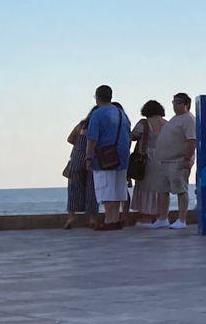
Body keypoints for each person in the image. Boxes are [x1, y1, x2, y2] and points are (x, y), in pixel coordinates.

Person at [144, 93, 197, 228]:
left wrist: (187, 159)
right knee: (162, 190)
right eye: (174, 102)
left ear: (186, 104)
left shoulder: (188, 119)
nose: (175, 105)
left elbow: (191, 140)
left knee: (181, 190)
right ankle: (163, 218)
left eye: (178, 102)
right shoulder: (175, 119)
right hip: (164, 161)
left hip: (178, 161)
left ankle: (182, 219)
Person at [84, 85, 132, 231]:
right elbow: (128, 135)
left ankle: (109, 220)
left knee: (106, 189)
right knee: (118, 189)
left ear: (97, 97)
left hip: (104, 157)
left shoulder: (97, 114)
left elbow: (92, 138)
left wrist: (88, 157)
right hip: (122, 157)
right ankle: (115, 219)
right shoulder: (121, 113)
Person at [129, 100, 169, 225]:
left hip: (146, 159)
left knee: (145, 187)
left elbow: (132, 136)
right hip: (164, 158)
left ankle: (146, 217)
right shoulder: (167, 124)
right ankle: (161, 216)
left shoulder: (144, 123)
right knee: (162, 189)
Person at [64, 119, 99, 230]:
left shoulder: (80, 125)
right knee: (92, 190)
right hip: (92, 158)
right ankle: (92, 219)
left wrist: (79, 147)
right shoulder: (98, 126)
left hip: (77, 158)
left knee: (73, 189)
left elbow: (70, 139)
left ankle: (71, 217)